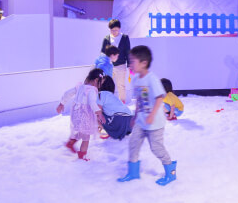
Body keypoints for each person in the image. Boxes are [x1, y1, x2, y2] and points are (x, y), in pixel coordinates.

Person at [117, 45, 177, 186]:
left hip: (155, 122)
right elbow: (139, 99)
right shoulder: (137, 79)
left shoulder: (152, 79)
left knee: (156, 148)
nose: (130, 64)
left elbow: (159, 98)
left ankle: (171, 171)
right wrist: (135, 115)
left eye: (132, 61)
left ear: (144, 63)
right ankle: (133, 172)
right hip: (141, 120)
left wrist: (151, 115)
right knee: (133, 144)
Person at [56, 68, 105, 161]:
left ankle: (71, 142)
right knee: (86, 137)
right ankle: (82, 156)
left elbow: (67, 93)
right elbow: (92, 103)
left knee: (81, 131)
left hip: (75, 115)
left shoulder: (80, 87)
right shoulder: (92, 90)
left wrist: (62, 103)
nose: (100, 86)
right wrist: (98, 112)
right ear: (96, 80)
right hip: (85, 116)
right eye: (101, 83)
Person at [100, 19, 131, 103]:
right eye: (112, 30)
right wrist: (102, 65)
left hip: (121, 65)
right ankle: (109, 103)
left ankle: (122, 104)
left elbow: (128, 52)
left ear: (119, 28)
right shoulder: (106, 38)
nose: (114, 32)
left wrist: (129, 66)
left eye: (116, 30)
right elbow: (103, 52)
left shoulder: (124, 38)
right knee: (107, 85)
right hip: (109, 66)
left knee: (121, 85)